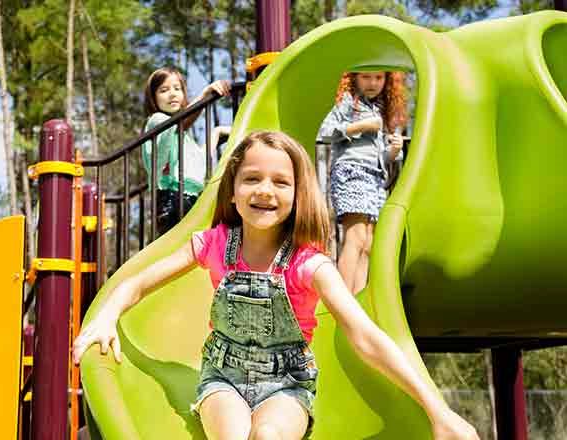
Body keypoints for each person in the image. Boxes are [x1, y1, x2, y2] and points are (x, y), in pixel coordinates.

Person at [73, 131, 478, 440]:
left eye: (281, 182)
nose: (265, 190)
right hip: (223, 378)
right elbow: (138, 283)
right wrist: (108, 314)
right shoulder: (213, 244)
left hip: (287, 385)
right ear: (232, 190)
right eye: (252, 178)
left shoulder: (310, 265)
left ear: (298, 195)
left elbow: (367, 337)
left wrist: (437, 410)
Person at [319, 70, 409, 294]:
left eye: (379, 78)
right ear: (354, 78)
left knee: (368, 244)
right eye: (366, 77)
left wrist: (394, 150)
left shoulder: (377, 109)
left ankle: (356, 300)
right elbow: (325, 132)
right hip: (352, 171)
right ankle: (342, 300)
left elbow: (382, 157)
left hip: (374, 177)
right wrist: (359, 126)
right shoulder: (349, 102)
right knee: (356, 236)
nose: (373, 83)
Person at [142, 67, 232, 235]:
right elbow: (181, 121)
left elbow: (199, 160)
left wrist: (217, 132)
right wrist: (205, 94)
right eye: (164, 90)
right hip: (171, 199)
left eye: (178, 89)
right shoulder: (157, 122)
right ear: (153, 97)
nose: (173, 94)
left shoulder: (181, 137)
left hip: (188, 197)